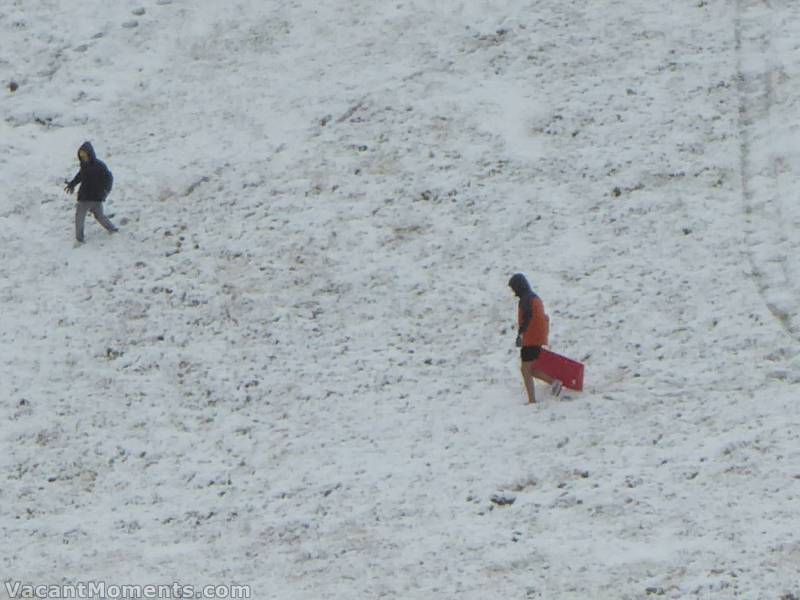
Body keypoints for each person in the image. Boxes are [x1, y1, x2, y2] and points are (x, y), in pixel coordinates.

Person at [508, 273, 562, 403]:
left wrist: (521, 334)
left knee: (526, 369)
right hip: (538, 337)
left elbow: (527, 317)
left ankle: (533, 399)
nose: (514, 292)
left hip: (530, 338)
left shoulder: (525, 299)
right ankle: (554, 383)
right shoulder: (534, 297)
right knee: (530, 369)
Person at [64, 141, 118, 243]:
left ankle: (111, 229)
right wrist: (72, 184)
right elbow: (80, 176)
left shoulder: (99, 166)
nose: (84, 158)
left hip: (94, 197)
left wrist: (106, 191)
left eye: (85, 155)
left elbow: (108, 178)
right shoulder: (84, 166)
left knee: (90, 216)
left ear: (90, 154)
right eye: (81, 156)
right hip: (87, 196)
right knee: (86, 216)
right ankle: (80, 238)